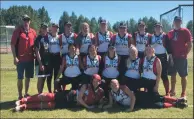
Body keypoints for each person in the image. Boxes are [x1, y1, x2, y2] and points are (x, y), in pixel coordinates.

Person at [14, 74, 104, 111]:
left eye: (97, 81)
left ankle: (25, 106)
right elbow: (79, 98)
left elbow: (100, 102)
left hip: (71, 104)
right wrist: (88, 107)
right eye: (94, 80)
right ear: (91, 81)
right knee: (48, 97)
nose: (95, 82)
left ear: (100, 82)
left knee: (49, 105)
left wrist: (100, 105)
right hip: (70, 95)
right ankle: (24, 100)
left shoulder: (100, 92)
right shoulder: (86, 86)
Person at [100, 79, 188, 111]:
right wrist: (103, 107)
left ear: (118, 84)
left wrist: (131, 108)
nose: (114, 86)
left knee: (157, 98)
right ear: (110, 86)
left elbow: (133, 97)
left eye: (115, 84)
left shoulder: (123, 88)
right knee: (155, 106)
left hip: (138, 97)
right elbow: (110, 104)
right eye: (112, 85)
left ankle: (178, 100)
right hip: (137, 104)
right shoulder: (111, 93)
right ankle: (175, 104)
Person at [11, 14, 37, 99]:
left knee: (28, 77)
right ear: (22, 21)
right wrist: (15, 57)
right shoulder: (17, 31)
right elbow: (12, 44)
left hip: (30, 59)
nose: (26, 22)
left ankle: (26, 93)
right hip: (20, 60)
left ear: (30, 21)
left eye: (27, 20)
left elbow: (36, 45)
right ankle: (20, 95)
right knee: (20, 78)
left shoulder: (33, 32)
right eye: (24, 20)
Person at [167, 16, 193, 98]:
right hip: (172, 57)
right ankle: (173, 91)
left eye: (179, 21)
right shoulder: (170, 32)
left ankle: (183, 93)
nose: (177, 22)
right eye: (176, 21)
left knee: (183, 76)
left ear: (181, 22)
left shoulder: (186, 31)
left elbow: (190, 45)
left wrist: (185, 54)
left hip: (181, 58)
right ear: (174, 22)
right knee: (173, 75)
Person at [150, 23, 172, 96]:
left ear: (161, 28)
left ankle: (167, 92)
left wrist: (170, 56)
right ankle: (153, 91)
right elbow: (149, 46)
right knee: (153, 74)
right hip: (154, 57)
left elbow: (168, 47)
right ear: (154, 28)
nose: (158, 28)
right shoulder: (151, 36)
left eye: (159, 27)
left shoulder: (165, 36)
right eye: (156, 27)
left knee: (164, 75)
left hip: (163, 56)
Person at [34, 23, 50, 94]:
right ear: (40, 29)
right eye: (43, 28)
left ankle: (41, 94)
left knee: (44, 78)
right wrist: (40, 64)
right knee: (40, 79)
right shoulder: (38, 38)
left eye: (46, 28)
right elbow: (37, 52)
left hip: (46, 62)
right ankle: (39, 94)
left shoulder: (47, 38)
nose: (45, 29)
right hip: (40, 62)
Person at [47, 23, 61, 93]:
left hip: (57, 57)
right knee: (49, 75)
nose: (55, 29)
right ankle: (49, 91)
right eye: (54, 27)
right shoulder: (48, 37)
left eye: (56, 27)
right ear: (51, 28)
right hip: (50, 56)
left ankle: (55, 90)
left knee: (56, 75)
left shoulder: (59, 37)